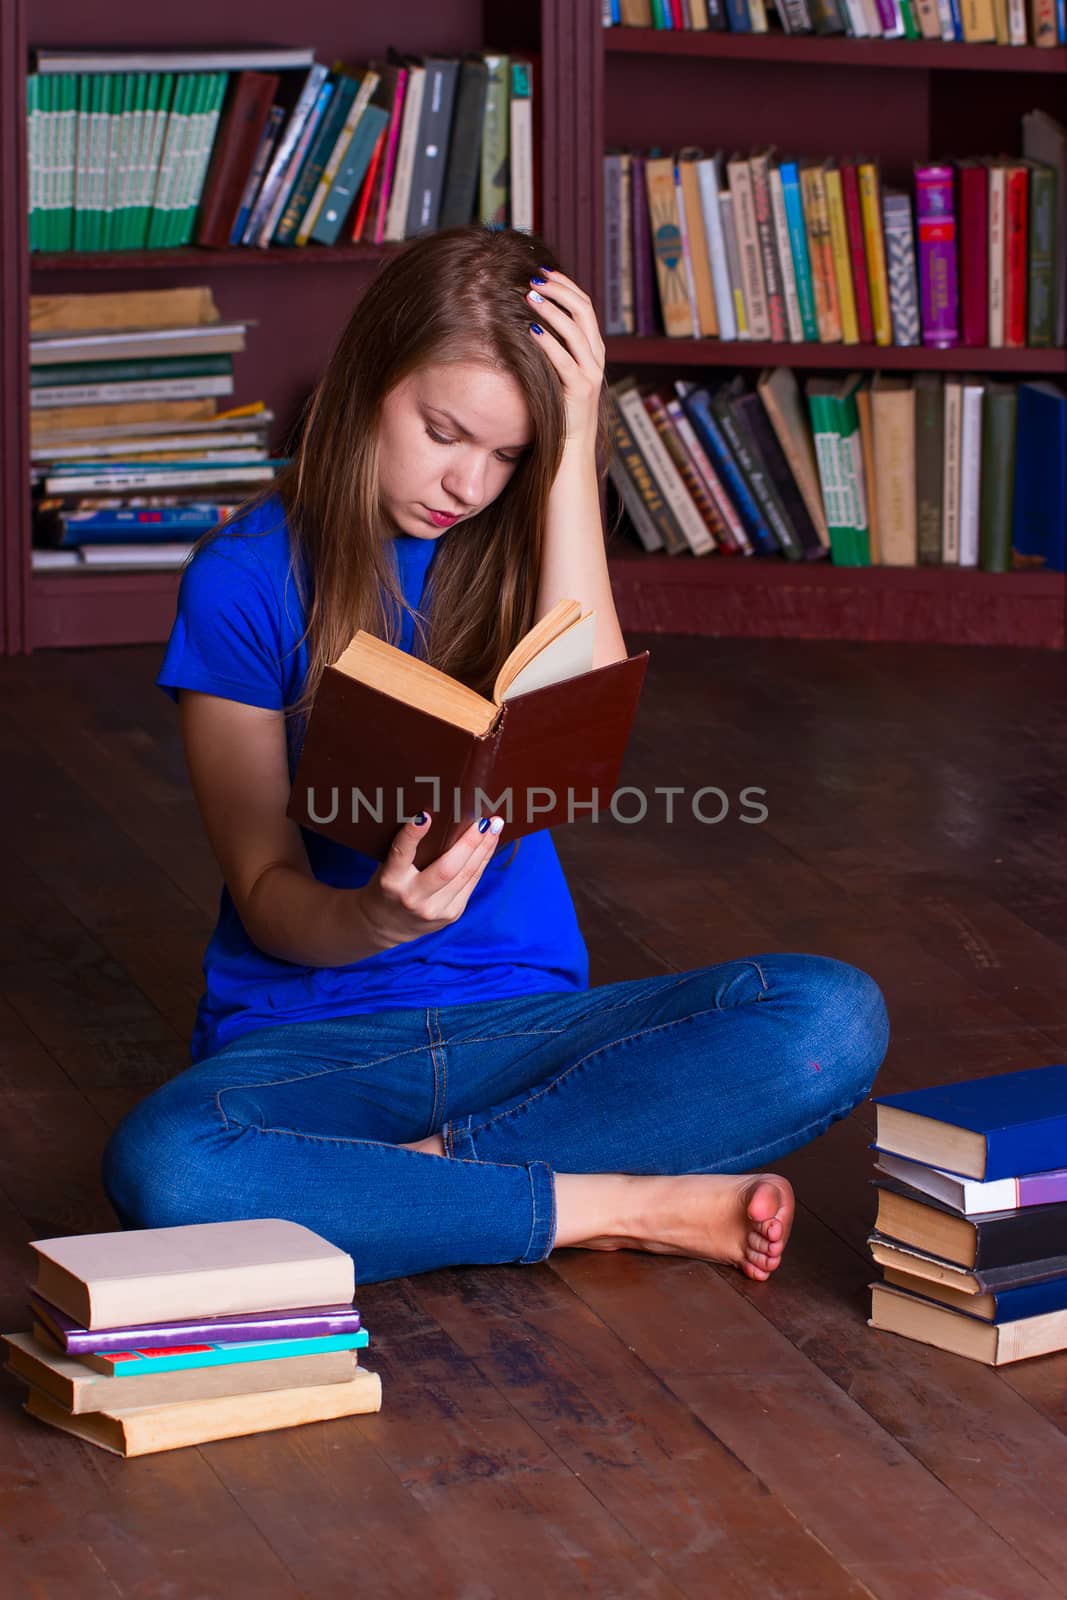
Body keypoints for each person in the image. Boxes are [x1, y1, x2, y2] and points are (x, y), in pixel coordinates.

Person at [102, 224, 889, 1286]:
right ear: (365, 379)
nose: (467, 483)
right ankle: (611, 1205)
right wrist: (374, 917)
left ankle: (413, 1187)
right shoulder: (241, 580)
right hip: (316, 1042)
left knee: (829, 1016)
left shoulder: (523, 545)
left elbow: (581, 710)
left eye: (508, 453)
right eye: (442, 431)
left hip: (521, 1026)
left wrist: (570, 448)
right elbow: (263, 888)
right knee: (167, 1171)